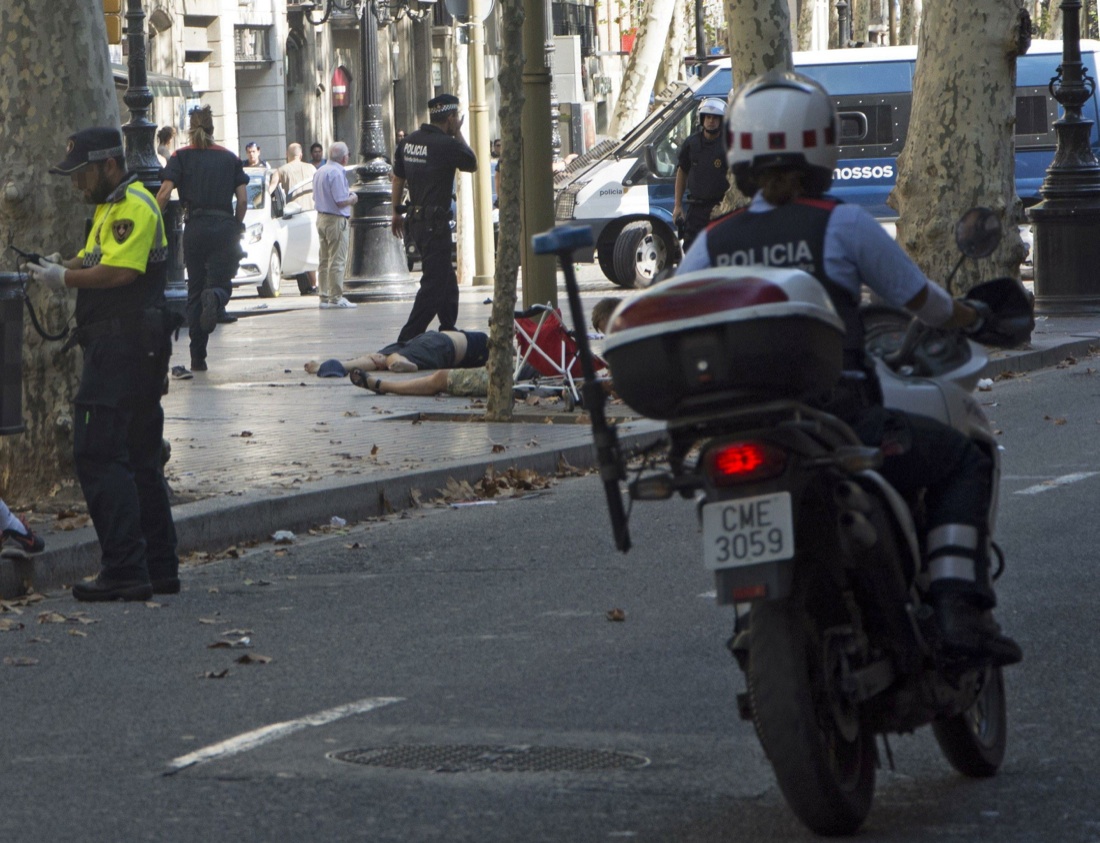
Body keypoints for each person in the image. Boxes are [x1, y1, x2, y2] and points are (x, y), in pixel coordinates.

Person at [678, 70, 1020, 667]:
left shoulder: (714, 240)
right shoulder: (843, 224)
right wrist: (968, 315)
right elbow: (924, 302)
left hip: (746, 426)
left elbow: (676, 310)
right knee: (966, 458)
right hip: (840, 420)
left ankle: (749, 618)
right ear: (822, 145)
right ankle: (957, 604)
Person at [26, 127, 180, 601]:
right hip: (133, 348)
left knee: (96, 453)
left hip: (122, 350)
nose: (76, 184)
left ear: (110, 165)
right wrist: (59, 262)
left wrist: (63, 277)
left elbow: (121, 271)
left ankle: (125, 569)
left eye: (82, 174)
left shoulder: (132, 204)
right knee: (138, 459)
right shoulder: (110, 207)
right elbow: (100, 257)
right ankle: (157, 568)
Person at [350, 298, 619, 398]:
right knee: (441, 378)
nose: (607, 335)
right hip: (524, 372)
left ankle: (382, 386)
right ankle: (380, 383)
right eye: (603, 330)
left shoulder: (613, 360)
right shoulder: (605, 358)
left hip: (525, 376)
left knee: (441, 379)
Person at [156, 105, 249, 374]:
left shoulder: (180, 156)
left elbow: (163, 193)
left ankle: (198, 358)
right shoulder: (229, 158)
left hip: (195, 227)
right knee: (222, 283)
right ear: (212, 128)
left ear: (190, 129)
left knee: (194, 291)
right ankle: (217, 299)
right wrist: (236, 225)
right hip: (223, 226)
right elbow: (242, 199)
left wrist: (152, 221)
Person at [391, 93, 478, 342]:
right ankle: (407, 338)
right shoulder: (447, 145)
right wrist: (458, 133)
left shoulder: (408, 142)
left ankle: (448, 326)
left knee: (446, 279)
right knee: (433, 284)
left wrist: (395, 211)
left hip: (415, 222)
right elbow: (471, 162)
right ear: (450, 118)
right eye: (455, 119)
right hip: (435, 224)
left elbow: (398, 178)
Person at [306, 329, 490, 379]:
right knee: (390, 358)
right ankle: (400, 361)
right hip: (444, 347)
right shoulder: (485, 342)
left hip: (431, 338)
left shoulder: (477, 337)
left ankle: (337, 366)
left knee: (379, 356)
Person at [672, 97, 730, 252]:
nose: (711, 121)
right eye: (708, 117)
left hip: (721, 208)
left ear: (721, 120)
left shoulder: (729, 144)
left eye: (715, 118)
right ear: (702, 119)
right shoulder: (692, 144)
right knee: (692, 251)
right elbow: (682, 172)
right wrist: (678, 205)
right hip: (696, 210)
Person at [313, 141, 358, 308]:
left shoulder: (321, 171)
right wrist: (352, 198)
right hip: (336, 220)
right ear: (344, 158)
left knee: (324, 259)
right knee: (337, 259)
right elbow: (341, 201)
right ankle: (336, 296)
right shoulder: (337, 173)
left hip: (322, 217)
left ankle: (323, 296)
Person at [277, 143, 319, 296]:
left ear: (287, 155)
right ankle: (313, 285)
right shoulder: (312, 169)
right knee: (311, 248)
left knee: (298, 250)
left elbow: (270, 190)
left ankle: (309, 286)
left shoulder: (281, 170)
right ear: (301, 155)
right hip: (311, 214)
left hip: (293, 216)